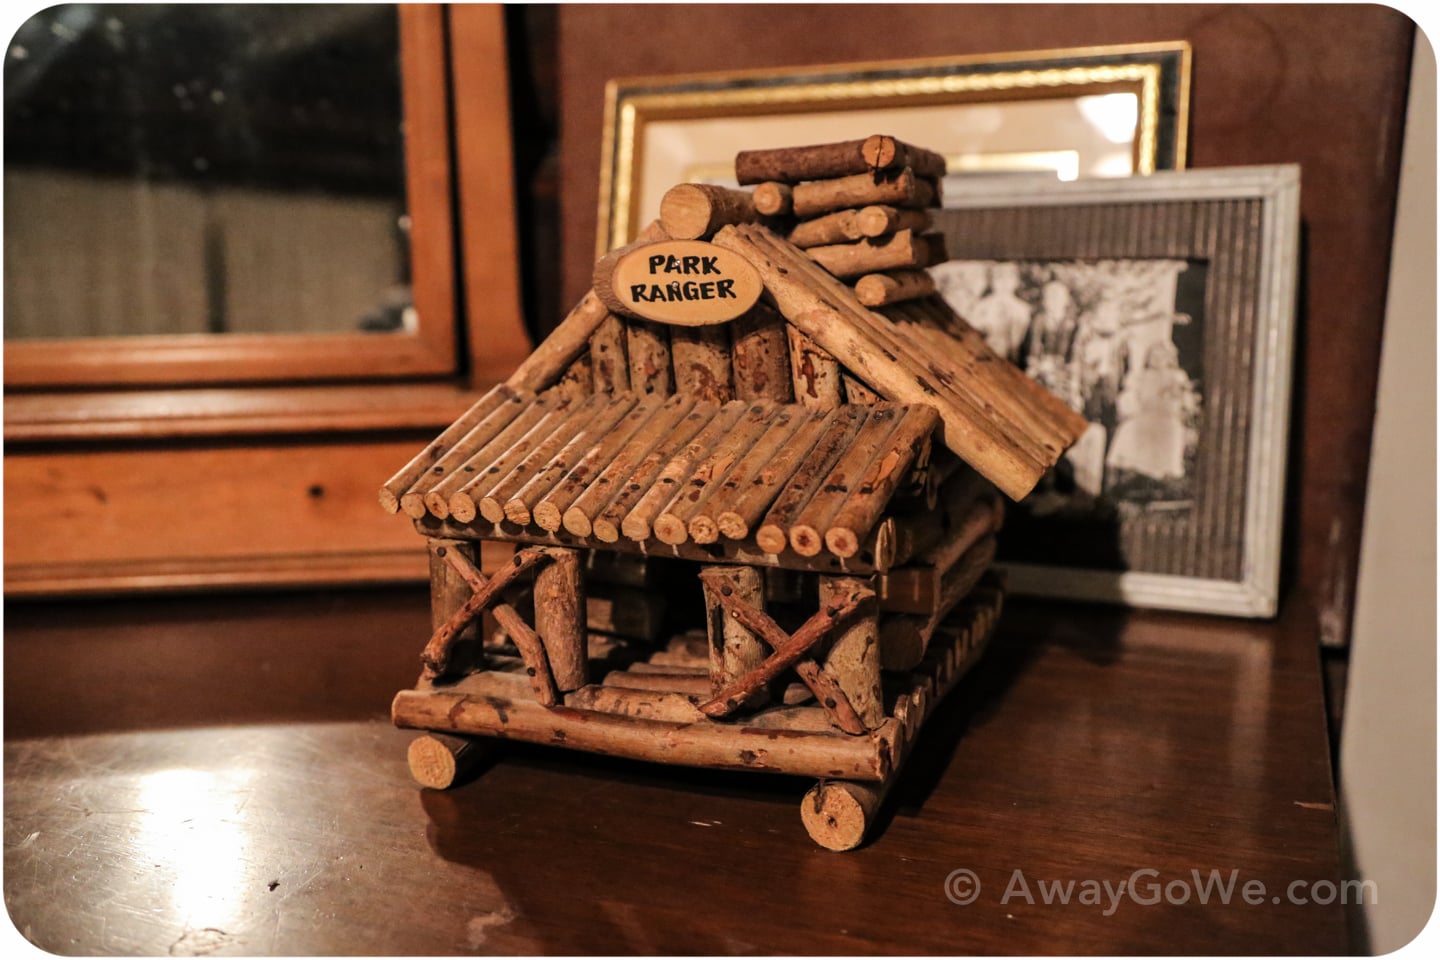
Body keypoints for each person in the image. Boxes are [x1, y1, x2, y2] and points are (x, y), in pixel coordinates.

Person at [1105, 340, 1190, 482]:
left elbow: (1184, 401)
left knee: (1170, 430)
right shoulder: (1139, 376)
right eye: (1153, 356)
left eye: (1161, 357)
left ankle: (1159, 476)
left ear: (1169, 358)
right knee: (1129, 428)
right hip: (1144, 414)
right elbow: (1129, 399)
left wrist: (1176, 396)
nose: (1156, 360)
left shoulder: (1177, 376)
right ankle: (1136, 475)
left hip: (1166, 416)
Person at [967, 262, 1031, 363]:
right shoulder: (981, 306)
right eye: (999, 278)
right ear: (992, 281)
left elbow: (1020, 342)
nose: (1004, 283)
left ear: (1016, 281)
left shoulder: (1023, 309)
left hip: (1011, 362)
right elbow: (971, 334)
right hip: (983, 357)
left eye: (1008, 278)